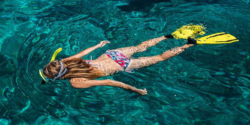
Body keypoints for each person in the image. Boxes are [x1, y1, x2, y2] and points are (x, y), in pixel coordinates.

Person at [40, 35, 198, 96]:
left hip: (122, 64)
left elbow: (109, 82)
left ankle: (189, 45)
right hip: (112, 54)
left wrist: (137, 90)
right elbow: (80, 54)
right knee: (141, 46)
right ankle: (167, 36)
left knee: (160, 57)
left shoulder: (76, 82)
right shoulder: (67, 61)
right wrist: (98, 45)